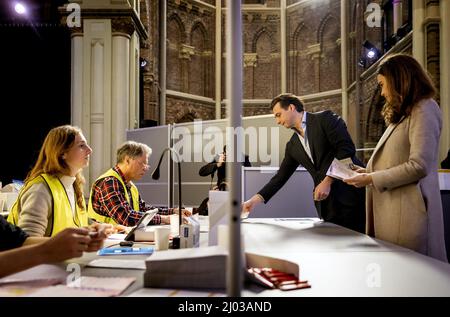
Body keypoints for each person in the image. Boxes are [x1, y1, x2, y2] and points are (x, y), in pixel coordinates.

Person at [344, 54, 447, 261]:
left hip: (409, 214)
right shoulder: (404, 114)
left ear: (400, 79)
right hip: (393, 211)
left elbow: (419, 166)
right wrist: (367, 172)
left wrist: (371, 179)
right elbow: (395, 159)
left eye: (383, 85)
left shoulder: (424, 109)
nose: (381, 93)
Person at [243, 93, 365, 233]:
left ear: (291, 107)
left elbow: (346, 150)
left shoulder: (325, 119)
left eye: (278, 115)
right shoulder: (292, 145)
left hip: (350, 196)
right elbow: (280, 178)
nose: (277, 121)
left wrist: (328, 180)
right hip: (326, 206)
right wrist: (252, 202)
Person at [8, 125, 92, 237]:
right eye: (81, 145)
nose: (89, 150)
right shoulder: (40, 189)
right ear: (62, 153)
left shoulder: (73, 185)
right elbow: (29, 241)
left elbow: (74, 228)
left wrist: (96, 229)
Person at [88, 141, 189, 227]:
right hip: (108, 243)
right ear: (127, 160)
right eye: (142, 163)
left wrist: (173, 211)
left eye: (146, 164)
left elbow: (143, 209)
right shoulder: (109, 182)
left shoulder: (129, 185)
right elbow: (126, 217)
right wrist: (165, 219)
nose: (145, 168)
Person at [0, 215, 108, 278]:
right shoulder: (40, 187)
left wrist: (78, 239)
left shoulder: (70, 186)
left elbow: (18, 240)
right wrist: (45, 252)